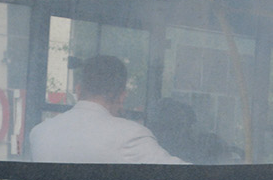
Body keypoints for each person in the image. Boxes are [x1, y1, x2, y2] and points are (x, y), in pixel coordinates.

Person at [27, 55, 183, 164]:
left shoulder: (39, 132)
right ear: (122, 96)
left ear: (79, 90)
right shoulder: (130, 136)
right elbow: (185, 179)